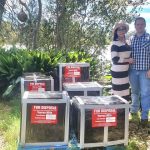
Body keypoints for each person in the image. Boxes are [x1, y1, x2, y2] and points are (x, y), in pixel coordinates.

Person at [129, 17, 150, 126]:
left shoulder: (149, 38)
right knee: (135, 92)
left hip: (145, 71)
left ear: (145, 25)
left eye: (142, 24)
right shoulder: (131, 38)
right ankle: (134, 111)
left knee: (146, 94)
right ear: (135, 26)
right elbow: (128, 54)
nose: (139, 26)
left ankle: (144, 117)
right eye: (138, 24)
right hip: (133, 71)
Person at [111, 20, 134, 101]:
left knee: (125, 92)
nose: (121, 31)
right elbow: (114, 59)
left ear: (125, 30)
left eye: (123, 29)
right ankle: (117, 112)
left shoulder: (127, 42)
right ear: (116, 32)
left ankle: (124, 112)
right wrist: (128, 60)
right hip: (117, 72)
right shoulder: (115, 44)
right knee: (118, 94)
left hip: (125, 71)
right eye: (119, 29)